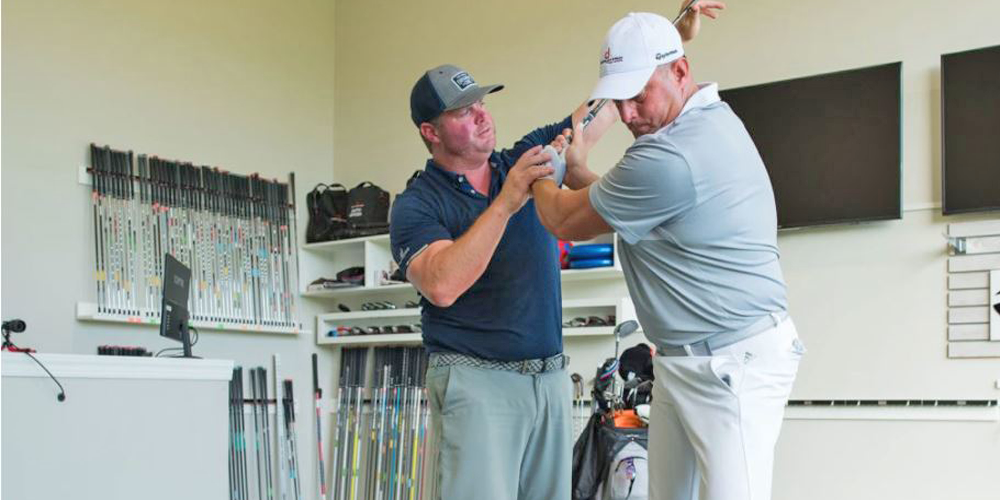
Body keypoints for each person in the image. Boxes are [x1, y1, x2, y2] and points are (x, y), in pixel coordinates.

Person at [527, 8, 805, 500]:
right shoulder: (703, 118)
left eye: (638, 97)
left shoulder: (668, 156)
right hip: (682, 362)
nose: (629, 114)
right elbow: (623, 201)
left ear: (680, 71)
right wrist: (573, 168)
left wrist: (540, 172)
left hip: (729, 366)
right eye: (620, 100)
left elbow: (563, 220)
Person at [389, 63, 614, 500]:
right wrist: (508, 201)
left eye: (481, 103)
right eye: (462, 111)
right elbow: (442, 285)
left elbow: (604, 111)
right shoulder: (416, 204)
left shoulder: (524, 159)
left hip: (548, 378)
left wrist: (668, 37)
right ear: (430, 132)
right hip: (476, 383)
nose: (481, 115)